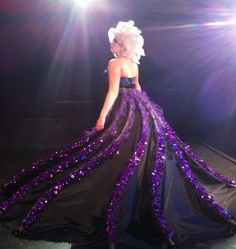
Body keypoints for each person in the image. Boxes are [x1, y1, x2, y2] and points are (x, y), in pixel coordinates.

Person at [0, 20, 236, 249]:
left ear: (121, 45)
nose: (110, 45)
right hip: (141, 107)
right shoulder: (134, 64)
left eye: (113, 41)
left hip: (126, 106)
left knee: (118, 146)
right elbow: (138, 88)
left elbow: (114, 91)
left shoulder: (114, 63)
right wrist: (146, 107)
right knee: (142, 147)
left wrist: (102, 116)